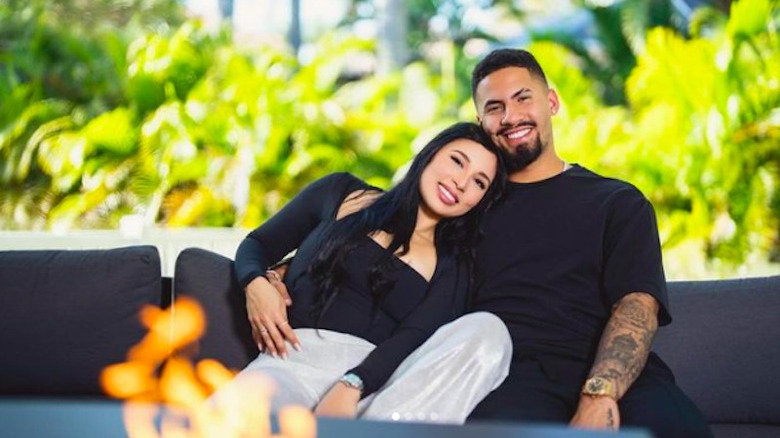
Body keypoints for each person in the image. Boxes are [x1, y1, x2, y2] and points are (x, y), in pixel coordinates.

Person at [459, 49, 712, 437]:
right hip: (508, 378)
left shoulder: (617, 202)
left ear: (552, 102)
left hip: (614, 376)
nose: (510, 117)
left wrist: (600, 395)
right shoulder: (466, 209)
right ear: (481, 123)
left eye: (523, 98)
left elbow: (637, 306)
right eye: (495, 108)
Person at [225, 122, 511, 423]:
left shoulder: (454, 265)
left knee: (490, 331)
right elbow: (258, 243)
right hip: (290, 363)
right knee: (234, 417)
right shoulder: (342, 192)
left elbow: (414, 336)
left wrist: (353, 384)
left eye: (479, 182)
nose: (461, 182)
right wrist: (255, 285)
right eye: (457, 161)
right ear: (431, 153)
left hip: (378, 392)